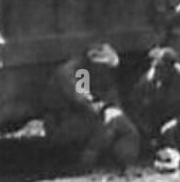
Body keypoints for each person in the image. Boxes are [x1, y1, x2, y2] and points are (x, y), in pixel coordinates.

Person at [43, 42, 140, 170]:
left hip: (84, 118)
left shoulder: (94, 72)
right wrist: (106, 110)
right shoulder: (73, 72)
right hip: (63, 123)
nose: (105, 70)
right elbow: (83, 102)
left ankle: (123, 162)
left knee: (126, 127)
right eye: (103, 66)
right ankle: (84, 164)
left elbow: (111, 95)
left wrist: (114, 110)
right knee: (103, 126)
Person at [128, 46, 180, 164]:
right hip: (159, 116)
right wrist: (143, 126)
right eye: (155, 67)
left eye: (161, 68)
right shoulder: (148, 79)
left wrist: (177, 122)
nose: (157, 72)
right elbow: (134, 104)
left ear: (170, 68)